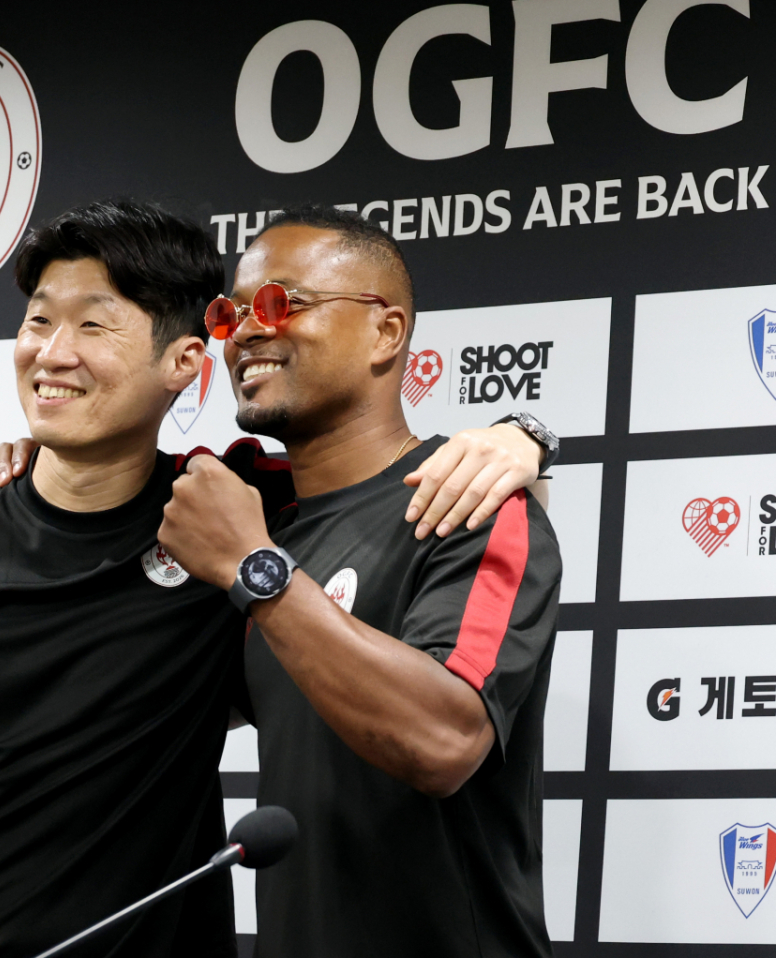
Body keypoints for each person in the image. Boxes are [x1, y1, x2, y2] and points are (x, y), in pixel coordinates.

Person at [0, 201, 549, 958]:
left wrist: (524, 437)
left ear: (183, 362)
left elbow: (437, 702)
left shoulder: (239, 516)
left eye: (93, 325)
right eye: (39, 321)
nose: (54, 352)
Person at [156, 205, 562, 958]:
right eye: (232, 314)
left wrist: (255, 569)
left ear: (386, 332)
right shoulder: (264, 520)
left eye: (282, 302)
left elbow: (443, 740)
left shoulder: (469, 503)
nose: (247, 332)